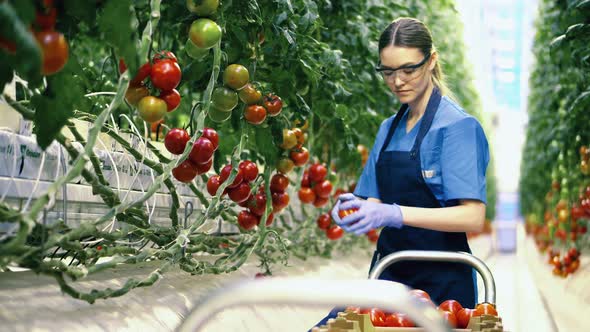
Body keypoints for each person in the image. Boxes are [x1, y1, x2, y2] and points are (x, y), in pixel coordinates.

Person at [312, 17, 489, 328]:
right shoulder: (387, 129)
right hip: (389, 278)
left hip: (444, 286)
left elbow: (472, 217)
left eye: (409, 69)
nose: (398, 81)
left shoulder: (458, 128)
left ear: (431, 61)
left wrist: (395, 214)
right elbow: (376, 202)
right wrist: (355, 208)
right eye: (388, 72)